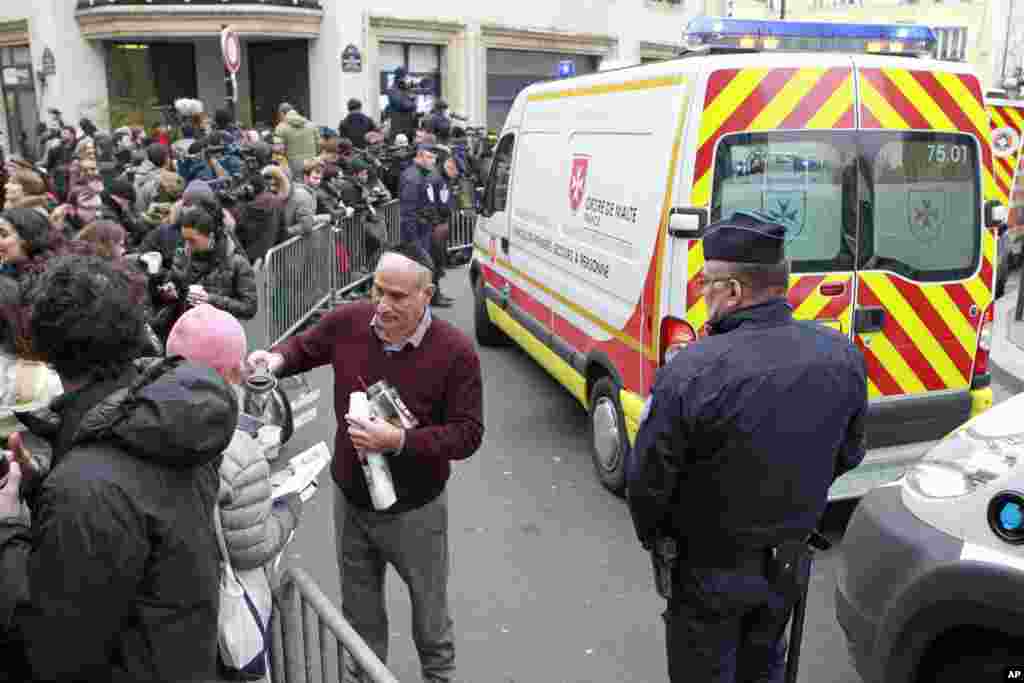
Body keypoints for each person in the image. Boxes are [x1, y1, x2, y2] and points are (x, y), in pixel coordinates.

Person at [626, 210, 868, 683]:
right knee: (764, 669)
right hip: (786, 567)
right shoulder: (841, 355)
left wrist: (659, 543)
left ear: (732, 291)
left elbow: (648, 484)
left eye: (705, 283)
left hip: (708, 573)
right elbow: (849, 453)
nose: (700, 292)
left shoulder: (692, 371)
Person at [247, 241, 483, 683]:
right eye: (378, 291)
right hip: (352, 503)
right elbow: (305, 347)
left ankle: (440, 677)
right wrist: (273, 360)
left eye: (398, 296)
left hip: (417, 510)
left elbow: (468, 434)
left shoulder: (455, 352)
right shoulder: (350, 321)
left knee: (430, 615)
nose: (383, 305)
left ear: (426, 295)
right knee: (359, 616)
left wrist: (399, 441)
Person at [0, 254, 231, 681]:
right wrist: (39, 485)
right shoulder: (166, 413)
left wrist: (8, 528)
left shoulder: (85, 487)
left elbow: (51, 650)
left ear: (47, 348)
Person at [165, 303, 303, 571]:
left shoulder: (137, 410)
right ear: (230, 371)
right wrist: (291, 508)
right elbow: (252, 549)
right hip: (210, 593)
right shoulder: (236, 448)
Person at [153, 203, 257, 340]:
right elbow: (174, 281)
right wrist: (169, 290)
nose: (188, 246)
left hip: (218, 336)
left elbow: (249, 307)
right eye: (185, 240)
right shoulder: (182, 254)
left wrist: (210, 299)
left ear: (211, 237)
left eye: (192, 241)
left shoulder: (237, 262)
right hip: (184, 331)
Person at [400, 145, 452, 308]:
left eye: (435, 159)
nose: (433, 162)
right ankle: (418, 304)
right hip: (417, 230)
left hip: (426, 228)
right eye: (430, 158)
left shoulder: (423, 174)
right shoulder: (412, 177)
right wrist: (413, 240)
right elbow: (408, 212)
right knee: (421, 269)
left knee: (431, 265)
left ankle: (432, 297)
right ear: (420, 156)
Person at [274, 104, 319, 180]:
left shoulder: (280, 127)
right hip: (312, 163)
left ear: (281, 113)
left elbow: (279, 150)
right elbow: (319, 144)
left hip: (293, 166)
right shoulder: (312, 125)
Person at [133, 143, 172, 214]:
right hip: (153, 219)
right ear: (164, 159)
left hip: (140, 215)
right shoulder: (162, 179)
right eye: (168, 157)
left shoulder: (139, 172)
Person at [44, 126, 76, 203]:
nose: (62, 135)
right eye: (62, 133)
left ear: (72, 135)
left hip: (74, 182)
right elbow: (49, 166)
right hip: (60, 183)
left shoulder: (78, 148)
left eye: (65, 133)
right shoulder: (55, 149)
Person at [386, 67, 418, 142]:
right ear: (400, 78)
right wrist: (413, 102)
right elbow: (404, 105)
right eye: (406, 77)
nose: (407, 79)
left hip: (408, 128)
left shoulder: (405, 90)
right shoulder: (393, 90)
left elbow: (411, 104)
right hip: (399, 129)